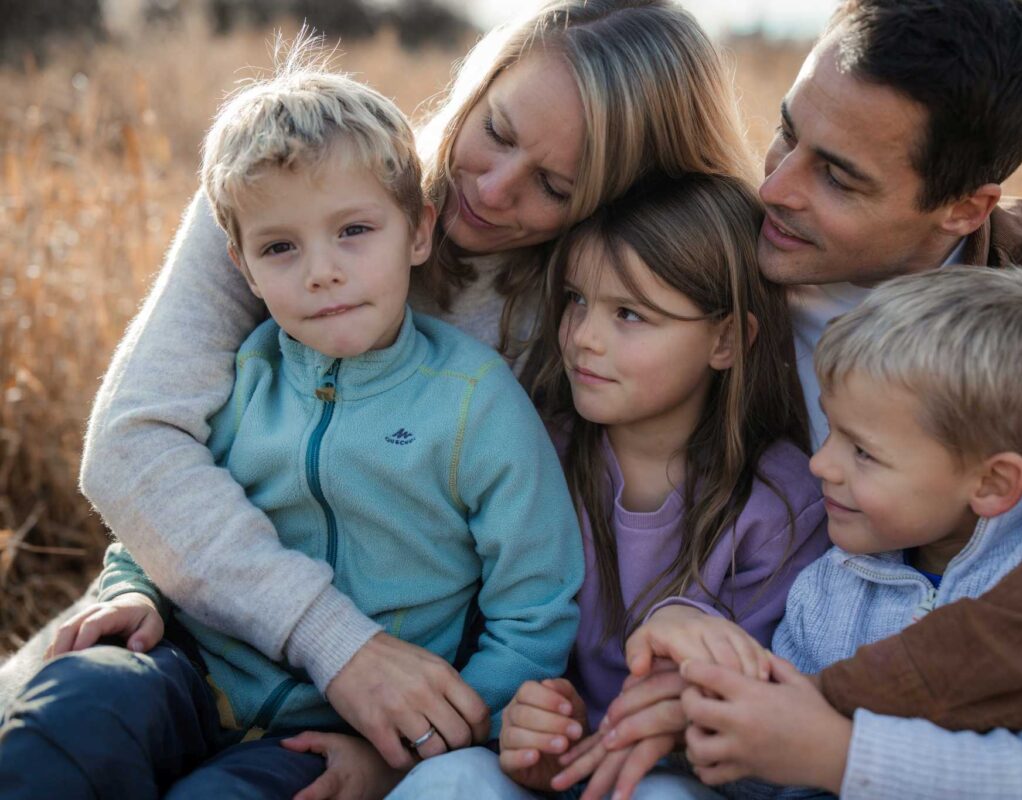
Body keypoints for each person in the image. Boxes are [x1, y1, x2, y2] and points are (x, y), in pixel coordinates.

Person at [46, 0, 756, 774]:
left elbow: (533, 594)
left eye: (554, 184)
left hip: (363, 722)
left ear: (618, 201)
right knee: (55, 736)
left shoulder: (577, 336)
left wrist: (413, 747)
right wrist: (311, 636)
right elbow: (135, 447)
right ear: (482, 82)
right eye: (498, 131)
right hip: (196, 632)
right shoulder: (294, 175)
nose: (490, 188)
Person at [611, 1, 1022, 778]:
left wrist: (825, 710)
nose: (776, 187)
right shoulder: (704, 252)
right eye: (788, 131)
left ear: (964, 208)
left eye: (839, 177)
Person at [0, 51, 584, 799]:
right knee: (70, 712)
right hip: (191, 667)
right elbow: (166, 507)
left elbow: (533, 605)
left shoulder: (475, 400)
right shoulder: (248, 371)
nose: (321, 271)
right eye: (280, 247)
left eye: (353, 232)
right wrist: (132, 589)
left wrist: (424, 745)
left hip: (329, 732)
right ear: (242, 268)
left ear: (418, 232)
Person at [666, 267, 1022, 798]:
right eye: (830, 429)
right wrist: (706, 715)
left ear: (991, 482)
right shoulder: (832, 585)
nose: (821, 464)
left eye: (863, 452)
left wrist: (841, 755)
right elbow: (776, 774)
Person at [384, 175, 827, 799]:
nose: (584, 336)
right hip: (531, 769)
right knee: (450, 781)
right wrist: (525, 724)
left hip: (682, 777)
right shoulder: (529, 448)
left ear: (726, 339)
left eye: (629, 314)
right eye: (576, 300)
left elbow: (767, 738)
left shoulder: (781, 504)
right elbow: (485, 628)